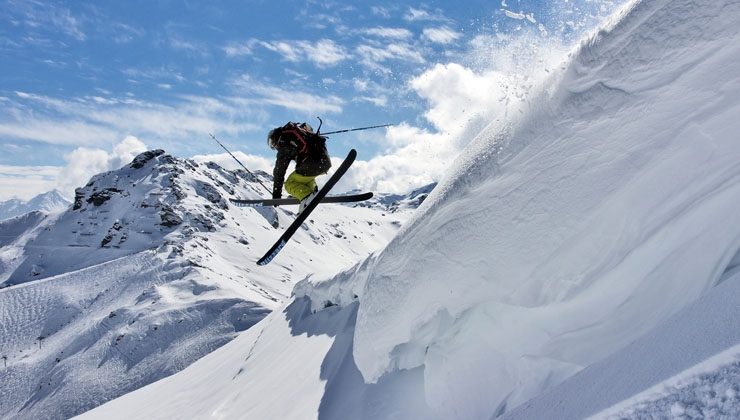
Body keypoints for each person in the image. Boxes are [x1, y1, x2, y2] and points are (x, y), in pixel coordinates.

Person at [268, 121, 332, 212]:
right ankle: (311, 190)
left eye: (273, 145)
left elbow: (279, 172)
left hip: (312, 164)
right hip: (324, 161)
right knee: (303, 176)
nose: (275, 148)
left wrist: (276, 196)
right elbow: (308, 127)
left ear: (276, 139)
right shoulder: (300, 132)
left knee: (290, 183)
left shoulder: (284, 144)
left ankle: (306, 196)